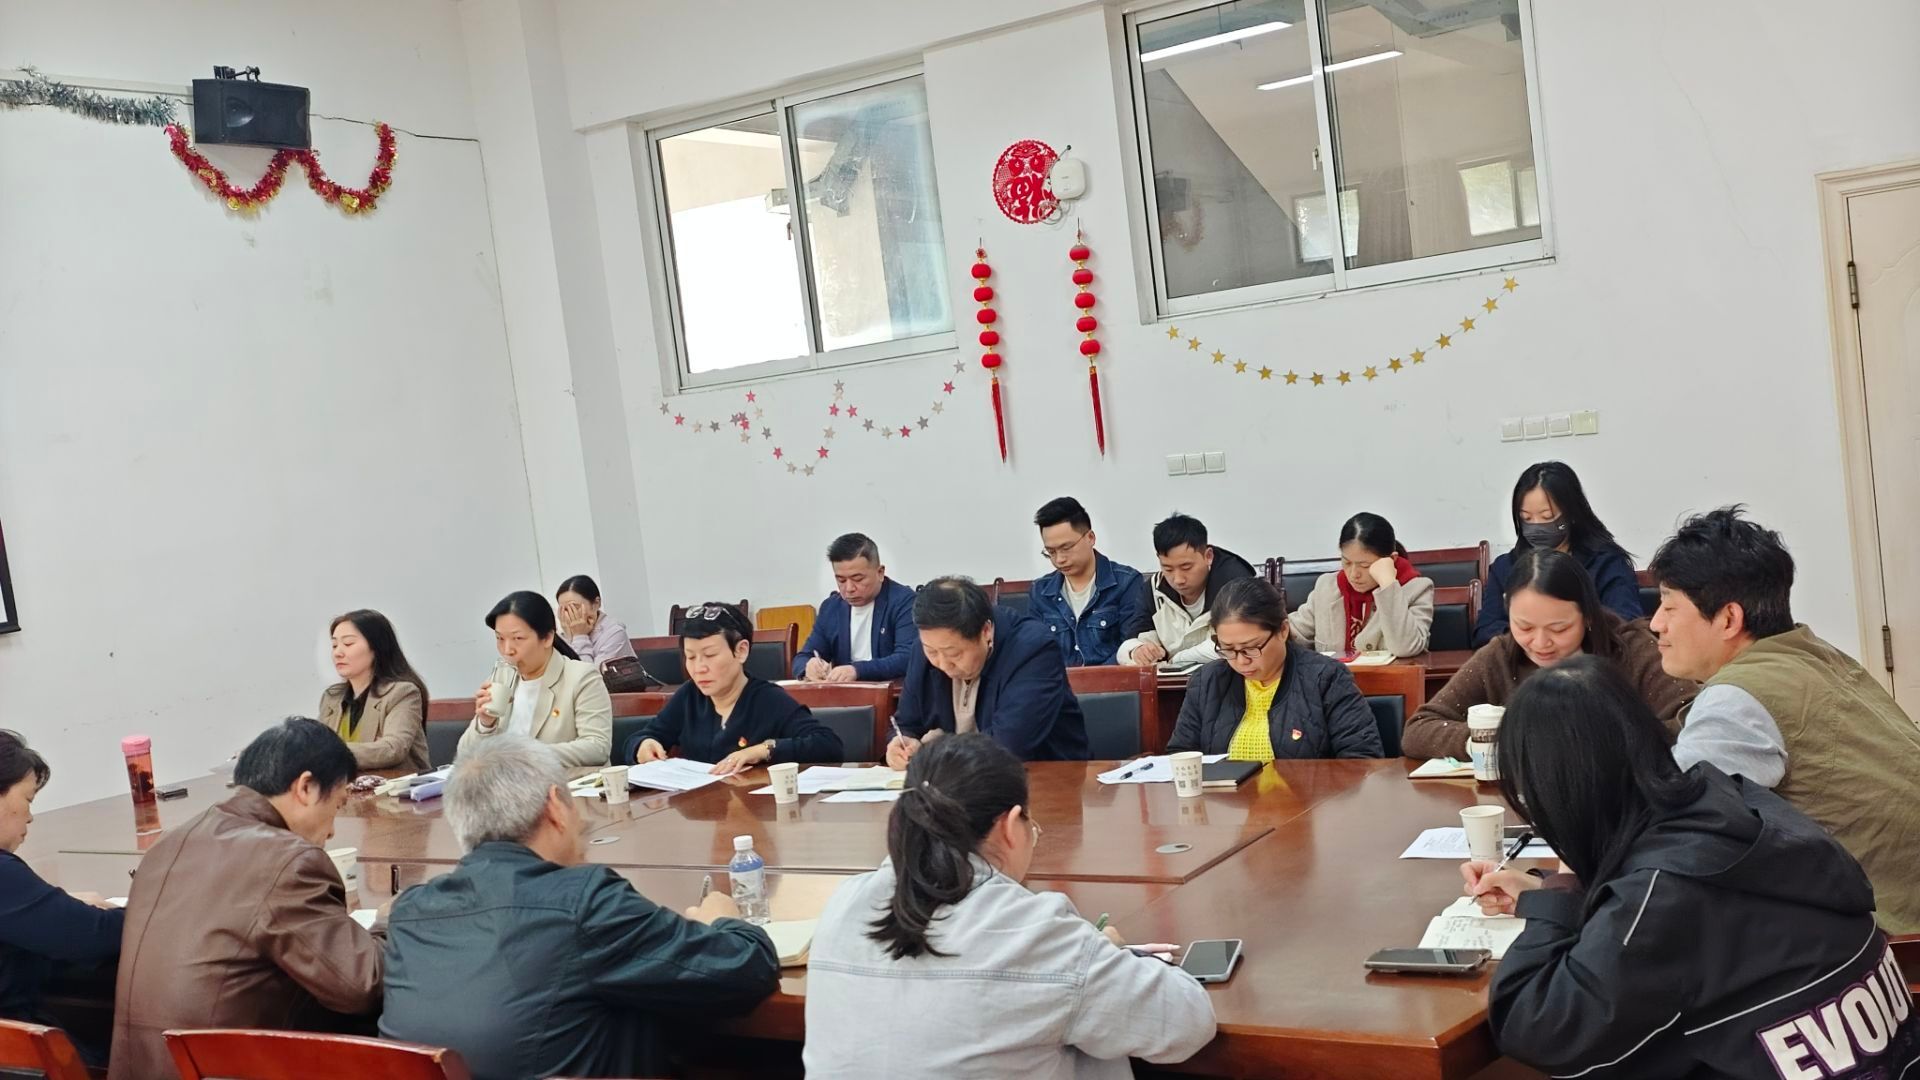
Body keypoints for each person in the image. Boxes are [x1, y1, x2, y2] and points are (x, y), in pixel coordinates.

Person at [1461, 657, 1920, 1078]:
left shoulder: (1662, 891)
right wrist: (1552, 894)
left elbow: (1534, 1027)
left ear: (1556, 792)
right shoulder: (1733, 802)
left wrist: (1561, 894)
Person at [806, 734, 1216, 1078]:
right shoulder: (1032, 931)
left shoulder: (845, 903)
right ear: (1009, 825)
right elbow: (1187, 1024)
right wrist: (1100, 954)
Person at [381, 736, 779, 1080]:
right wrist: (724, 919)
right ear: (556, 806)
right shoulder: (583, 901)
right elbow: (746, 970)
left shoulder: (410, 912)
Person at [1651, 507, 1920, 933]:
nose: (1655, 624)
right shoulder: (1812, 653)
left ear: (1728, 619)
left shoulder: (1737, 699)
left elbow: (1671, 826)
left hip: (1888, 936)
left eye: (1669, 607)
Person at [109, 718, 384, 1080]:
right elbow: (359, 987)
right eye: (337, 806)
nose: (332, 830)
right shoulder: (289, 860)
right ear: (305, 787)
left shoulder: (168, 843)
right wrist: (386, 925)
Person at [1404, 549, 1696, 760]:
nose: (1541, 643)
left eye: (1559, 628)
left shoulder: (1632, 650)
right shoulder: (1501, 656)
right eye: (1525, 627)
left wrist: (1599, 739)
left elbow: (1692, 721)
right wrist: (1491, 742)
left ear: (1588, 615)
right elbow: (1419, 729)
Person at [0, 732, 122, 1054]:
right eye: (28, 800)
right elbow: (95, 937)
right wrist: (157, 908)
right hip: (18, 1051)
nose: (30, 816)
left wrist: (58, 906)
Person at [1168, 578, 1382, 760]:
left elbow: (1362, 760)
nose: (1241, 661)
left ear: (1283, 630)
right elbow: (1180, 756)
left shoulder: (1326, 679)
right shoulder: (1206, 682)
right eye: (1228, 649)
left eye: (1251, 648)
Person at [887, 577, 1088, 768]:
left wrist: (932, 748)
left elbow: (1010, 745)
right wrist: (902, 742)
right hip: (955, 780)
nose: (943, 664)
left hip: (1044, 778)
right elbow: (906, 723)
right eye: (931, 652)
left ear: (986, 631)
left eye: (953, 654)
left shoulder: (1033, 650)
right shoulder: (926, 648)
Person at [626, 602, 843, 771]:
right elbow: (640, 737)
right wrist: (643, 745)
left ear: (741, 651)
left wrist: (764, 750)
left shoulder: (768, 699)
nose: (699, 668)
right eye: (690, 657)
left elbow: (828, 745)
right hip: (701, 809)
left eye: (710, 655)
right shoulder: (689, 696)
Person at [1472, 461, 1641, 646]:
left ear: (1572, 514)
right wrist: (1528, 640)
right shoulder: (1505, 567)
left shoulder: (1606, 563)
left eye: (1547, 517)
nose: (1536, 525)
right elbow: (1486, 630)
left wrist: (1570, 636)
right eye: (1526, 518)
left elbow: (1626, 624)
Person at [459, 591, 613, 767]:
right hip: (504, 782)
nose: (507, 650)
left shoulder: (581, 677)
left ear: (547, 637)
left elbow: (597, 747)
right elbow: (464, 755)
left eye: (518, 638)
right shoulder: (502, 678)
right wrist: (485, 724)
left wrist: (526, 755)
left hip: (560, 782)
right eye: (500, 638)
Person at [1116, 512, 1257, 668]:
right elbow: (1133, 638)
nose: (1178, 579)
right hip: (1171, 681)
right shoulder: (1153, 589)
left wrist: (1177, 659)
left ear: (1208, 556)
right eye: (1168, 569)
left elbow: (1235, 644)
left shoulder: (1237, 584)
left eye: (1186, 567)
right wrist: (1137, 650)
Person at [1288, 512, 1435, 656]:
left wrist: (1388, 585)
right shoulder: (1327, 587)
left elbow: (1405, 648)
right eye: (1347, 562)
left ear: (1391, 560)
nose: (1353, 574)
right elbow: (1292, 633)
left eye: (1365, 566)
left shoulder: (1417, 589)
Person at [1026, 496, 1148, 666]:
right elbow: (1036, 653)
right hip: (1059, 682)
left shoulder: (1126, 583)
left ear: (1090, 537)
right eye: (1051, 552)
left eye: (1066, 548)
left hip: (1113, 681)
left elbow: (1130, 648)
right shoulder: (1040, 591)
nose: (1059, 559)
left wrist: (1092, 680)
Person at [794, 533, 918, 683]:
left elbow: (908, 657)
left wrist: (857, 670)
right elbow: (803, 657)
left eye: (858, 579)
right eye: (841, 580)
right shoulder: (831, 607)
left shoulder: (904, 602)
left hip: (893, 692)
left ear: (880, 573)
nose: (849, 589)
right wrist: (809, 666)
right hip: (844, 694)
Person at [317, 609, 431, 772]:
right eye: (334, 645)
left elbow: (392, 749)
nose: (337, 653)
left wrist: (329, 753)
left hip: (396, 785)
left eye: (348, 644)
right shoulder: (332, 697)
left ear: (376, 647)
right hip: (344, 785)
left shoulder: (402, 693)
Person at [556, 574, 638, 671]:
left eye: (574, 607)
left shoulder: (615, 632)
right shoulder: (564, 632)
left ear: (596, 603)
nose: (569, 614)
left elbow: (589, 676)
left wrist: (580, 636)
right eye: (564, 610)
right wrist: (569, 637)